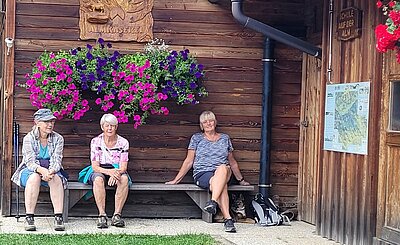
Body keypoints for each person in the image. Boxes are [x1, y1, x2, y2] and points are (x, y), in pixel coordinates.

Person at [166, 110, 250, 232]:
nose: (208, 123)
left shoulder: (225, 138)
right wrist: (176, 180)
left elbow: (232, 162)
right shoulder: (196, 138)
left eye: (210, 120)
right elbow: (189, 161)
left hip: (224, 171)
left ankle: (213, 202)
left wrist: (240, 180)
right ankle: (228, 220)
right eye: (205, 122)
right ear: (201, 125)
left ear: (215, 122)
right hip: (203, 173)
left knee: (222, 168)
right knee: (221, 185)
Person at [11, 108, 66, 231]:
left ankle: (58, 217)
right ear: (37, 122)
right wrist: (42, 171)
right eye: (46, 121)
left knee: (56, 178)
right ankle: (29, 217)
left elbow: (57, 160)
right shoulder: (28, 138)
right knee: (34, 177)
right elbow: (30, 162)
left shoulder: (58, 138)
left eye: (52, 121)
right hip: (30, 170)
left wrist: (50, 171)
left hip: (51, 170)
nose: (50, 124)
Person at [88, 113, 130, 229]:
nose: (110, 128)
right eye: (107, 125)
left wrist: (115, 173)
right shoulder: (95, 141)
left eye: (112, 125)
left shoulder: (123, 142)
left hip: (117, 169)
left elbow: (123, 167)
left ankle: (117, 215)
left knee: (124, 179)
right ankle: (102, 215)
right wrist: (110, 172)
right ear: (102, 127)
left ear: (116, 127)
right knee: (98, 179)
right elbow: (95, 167)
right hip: (101, 168)